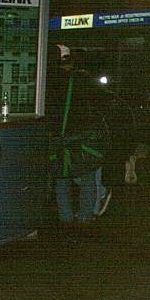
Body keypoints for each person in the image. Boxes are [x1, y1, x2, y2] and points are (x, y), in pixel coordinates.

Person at [46, 45, 111, 227]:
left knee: (61, 176)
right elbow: (99, 105)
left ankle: (65, 216)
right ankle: (85, 216)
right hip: (83, 137)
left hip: (58, 135)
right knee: (87, 176)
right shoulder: (84, 79)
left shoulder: (49, 80)